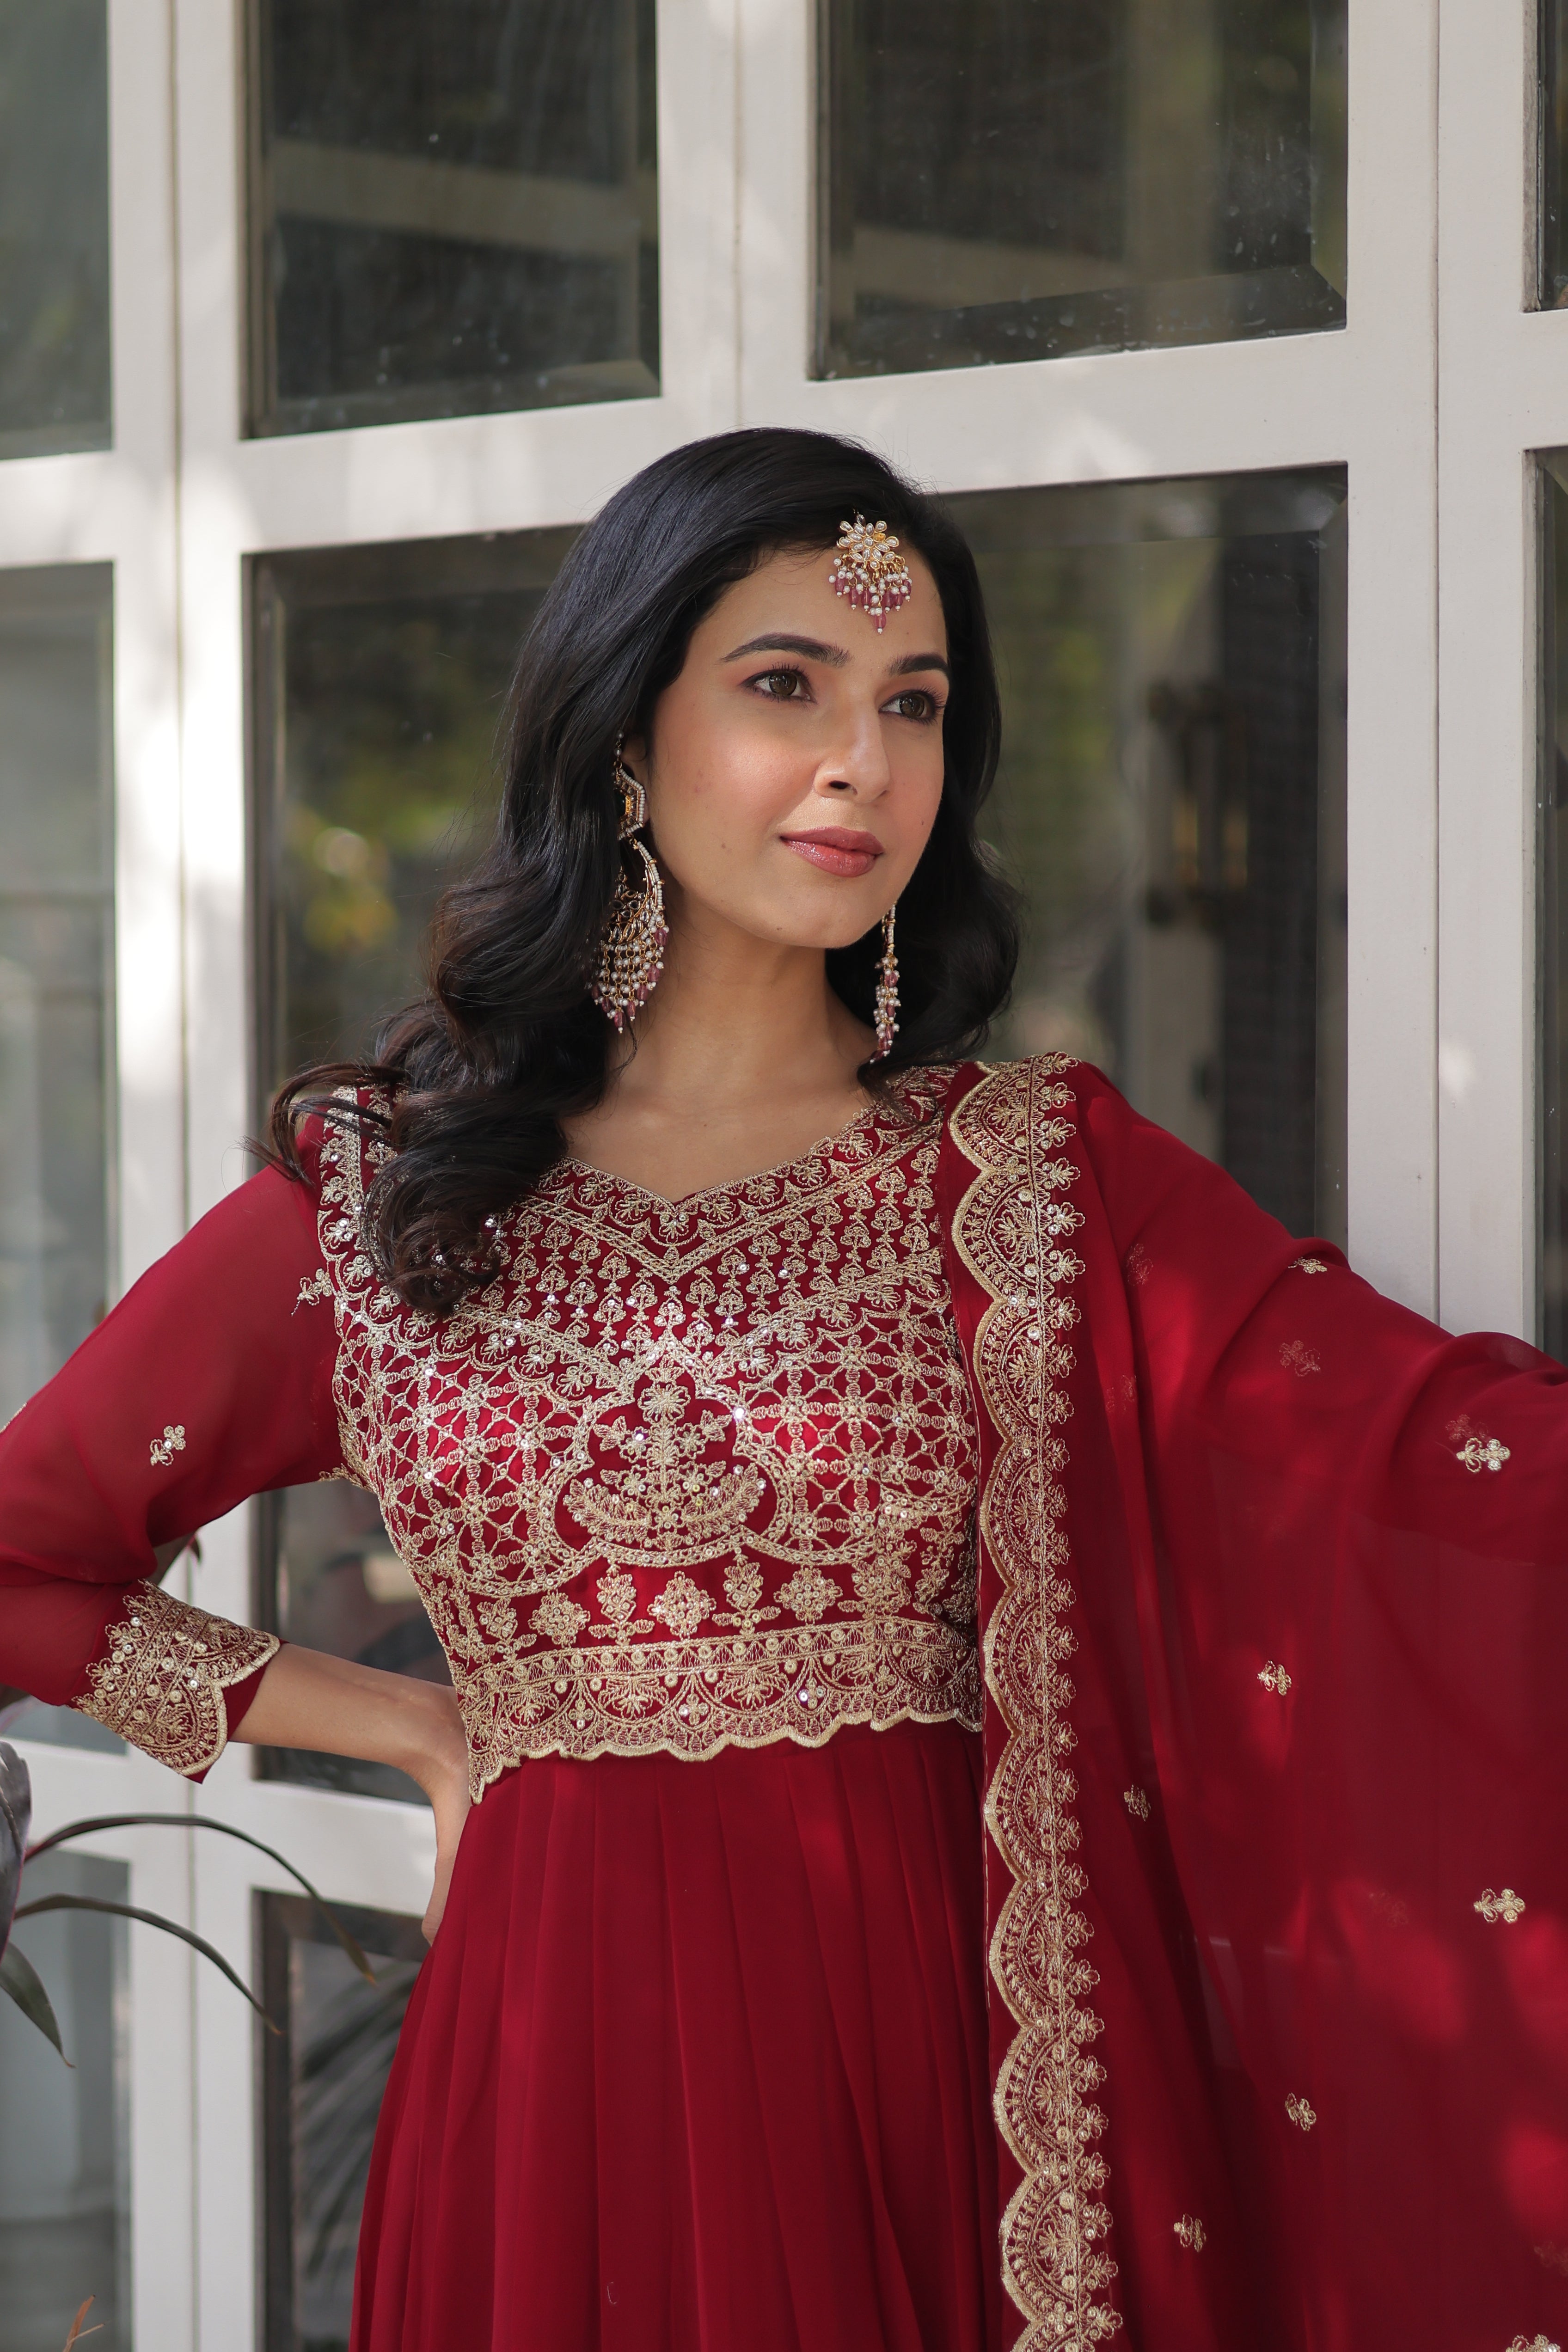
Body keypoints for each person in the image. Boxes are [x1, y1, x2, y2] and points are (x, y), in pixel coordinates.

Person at [0, 427, 1564, 2352]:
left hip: (919, 2062)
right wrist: (414, 1729)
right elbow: (22, 1561)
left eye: (912, 703)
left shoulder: (1028, 1179)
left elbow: (1441, 1464)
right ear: (624, 737)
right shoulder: (393, 1193)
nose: (863, 762)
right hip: (550, 2069)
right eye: (783, 687)